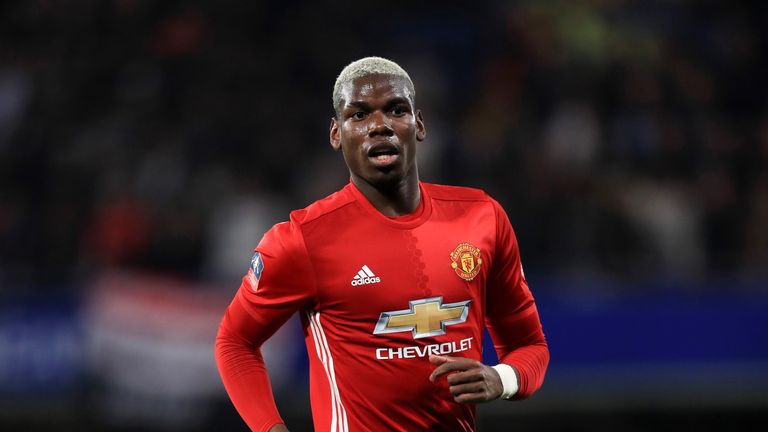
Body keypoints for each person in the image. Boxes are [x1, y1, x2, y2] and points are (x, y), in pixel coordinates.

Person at [215, 56, 549, 432]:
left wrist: (502, 379)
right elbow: (235, 343)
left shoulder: (482, 218)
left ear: (418, 125)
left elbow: (530, 345)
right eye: (359, 115)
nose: (380, 126)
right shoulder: (301, 240)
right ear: (336, 133)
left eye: (395, 109)